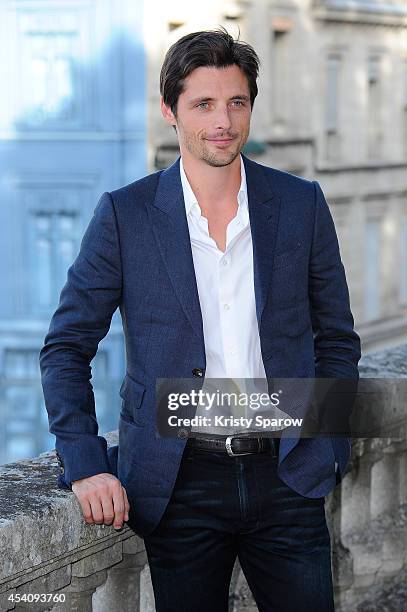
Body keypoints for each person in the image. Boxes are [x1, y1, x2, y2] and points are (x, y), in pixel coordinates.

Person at [39, 27, 361, 612]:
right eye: (203, 104)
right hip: (176, 479)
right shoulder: (125, 214)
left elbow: (337, 338)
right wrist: (86, 464)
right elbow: (66, 347)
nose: (224, 121)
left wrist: (328, 444)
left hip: (288, 471)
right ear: (170, 111)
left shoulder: (300, 203)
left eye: (237, 102)